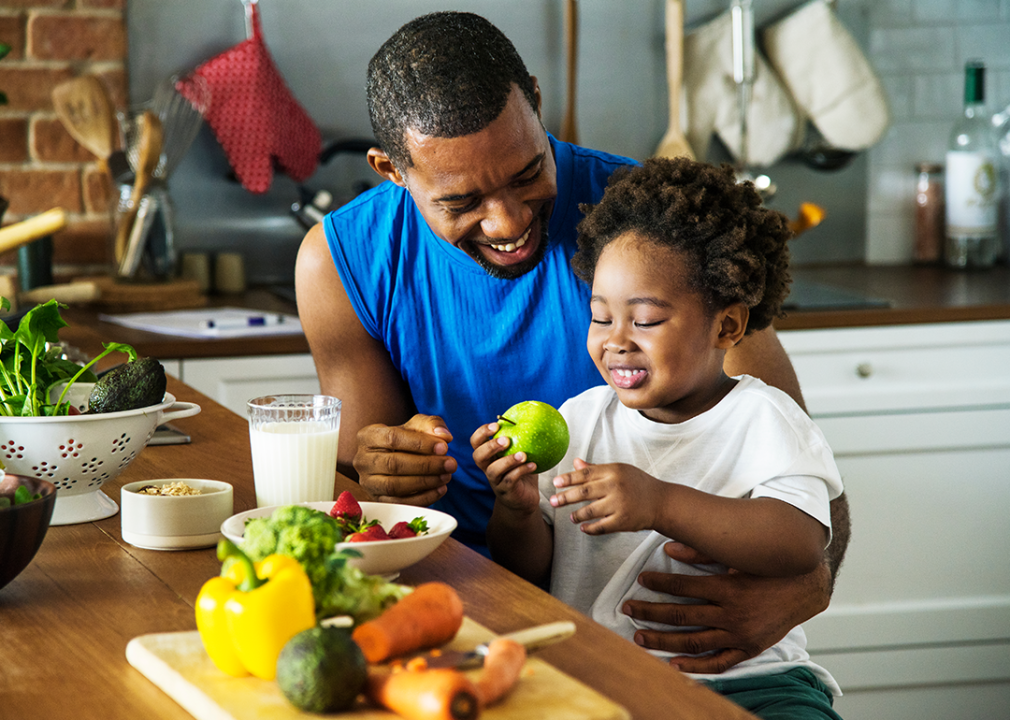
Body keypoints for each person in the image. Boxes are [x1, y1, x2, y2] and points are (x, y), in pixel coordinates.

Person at [294, 10, 851, 674]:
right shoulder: (341, 262)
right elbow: (365, 501)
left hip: (663, 636)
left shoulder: (646, 230)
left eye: (528, 173)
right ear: (393, 170)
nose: (508, 221)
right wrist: (381, 469)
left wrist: (807, 588)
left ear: (535, 98)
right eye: (461, 201)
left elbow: (804, 470)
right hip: (445, 606)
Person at [471, 157, 844, 719]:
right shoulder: (580, 420)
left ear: (727, 326)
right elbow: (532, 572)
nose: (616, 342)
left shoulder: (765, 419)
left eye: (643, 320)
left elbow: (800, 543)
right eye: (601, 317)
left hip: (753, 682)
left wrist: (661, 502)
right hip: (602, 678)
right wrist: (518, 511)